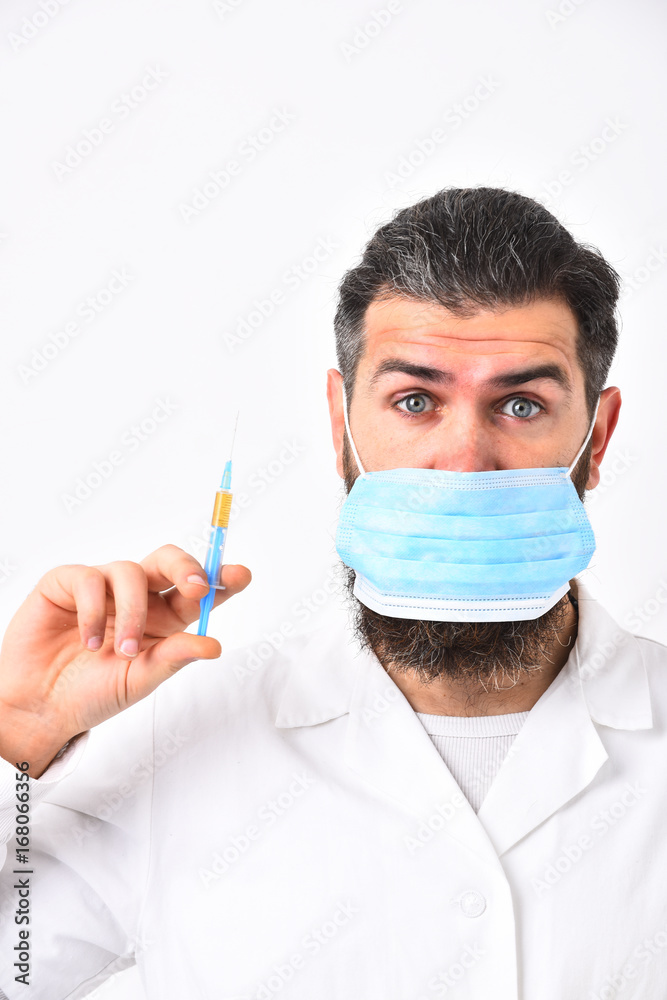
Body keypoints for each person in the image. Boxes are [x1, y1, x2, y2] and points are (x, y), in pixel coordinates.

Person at [1, 187, 665, 1000]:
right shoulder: (173, 745)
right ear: (339, 421)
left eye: (521, 404)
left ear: (596, 436)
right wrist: (16, 732)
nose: (463, 459)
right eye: (414, 401)